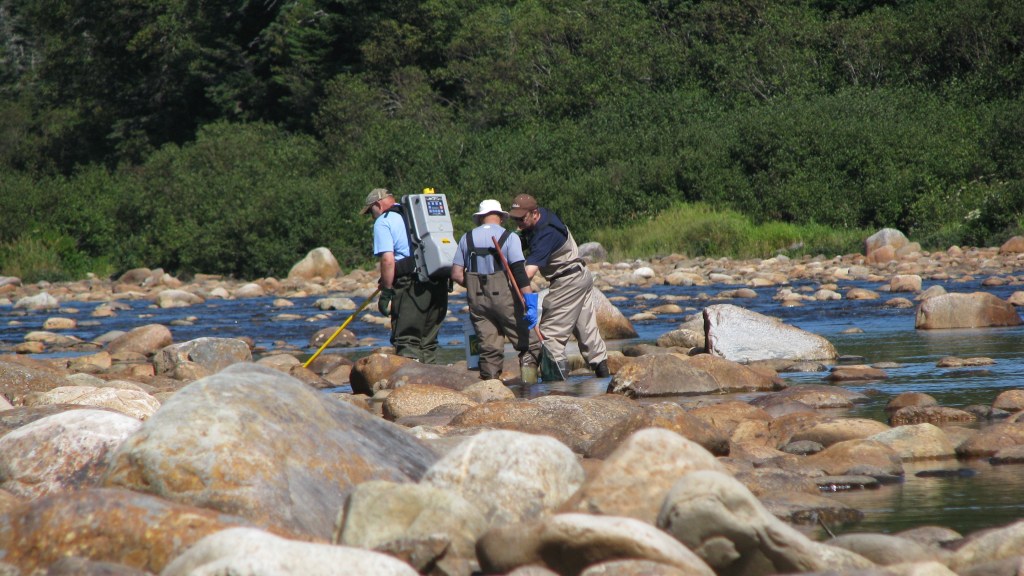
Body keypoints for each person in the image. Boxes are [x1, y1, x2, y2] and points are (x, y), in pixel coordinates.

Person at [508, 193, 609, 379]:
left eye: (521, 219)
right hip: (581, 275)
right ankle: (605, 380)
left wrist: (517, 289)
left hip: (567, 281)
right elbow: (525, 235)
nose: (518, 224)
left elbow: (528, 273)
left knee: (549, 337)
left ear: (534, 213)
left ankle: (556, 391)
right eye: (514, 219)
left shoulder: (545, 235)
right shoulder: (544, 216)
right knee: (588, 335)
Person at [361, 187, 448, 363]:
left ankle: (411, 386)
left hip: (411, 284)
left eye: (371, 211)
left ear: (378, 204)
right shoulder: (417, 214)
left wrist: (386, 291)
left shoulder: (383, 221)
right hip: (439, 279)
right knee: (428, 341)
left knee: (407, 340)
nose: (372, 216)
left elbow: (387, 260)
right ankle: (430, 383)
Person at [450, 199, 534, 381]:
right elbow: (519, 272)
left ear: (480, 218)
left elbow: (456, 274)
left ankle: (490, 390)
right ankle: (530, 387)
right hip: (505, 300)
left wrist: (474, 285)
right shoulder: (510, 237)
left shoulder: (467, 237)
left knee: (489, 349)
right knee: (529, 344)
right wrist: (530, 300)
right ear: (501, 218)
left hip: (477, 301)